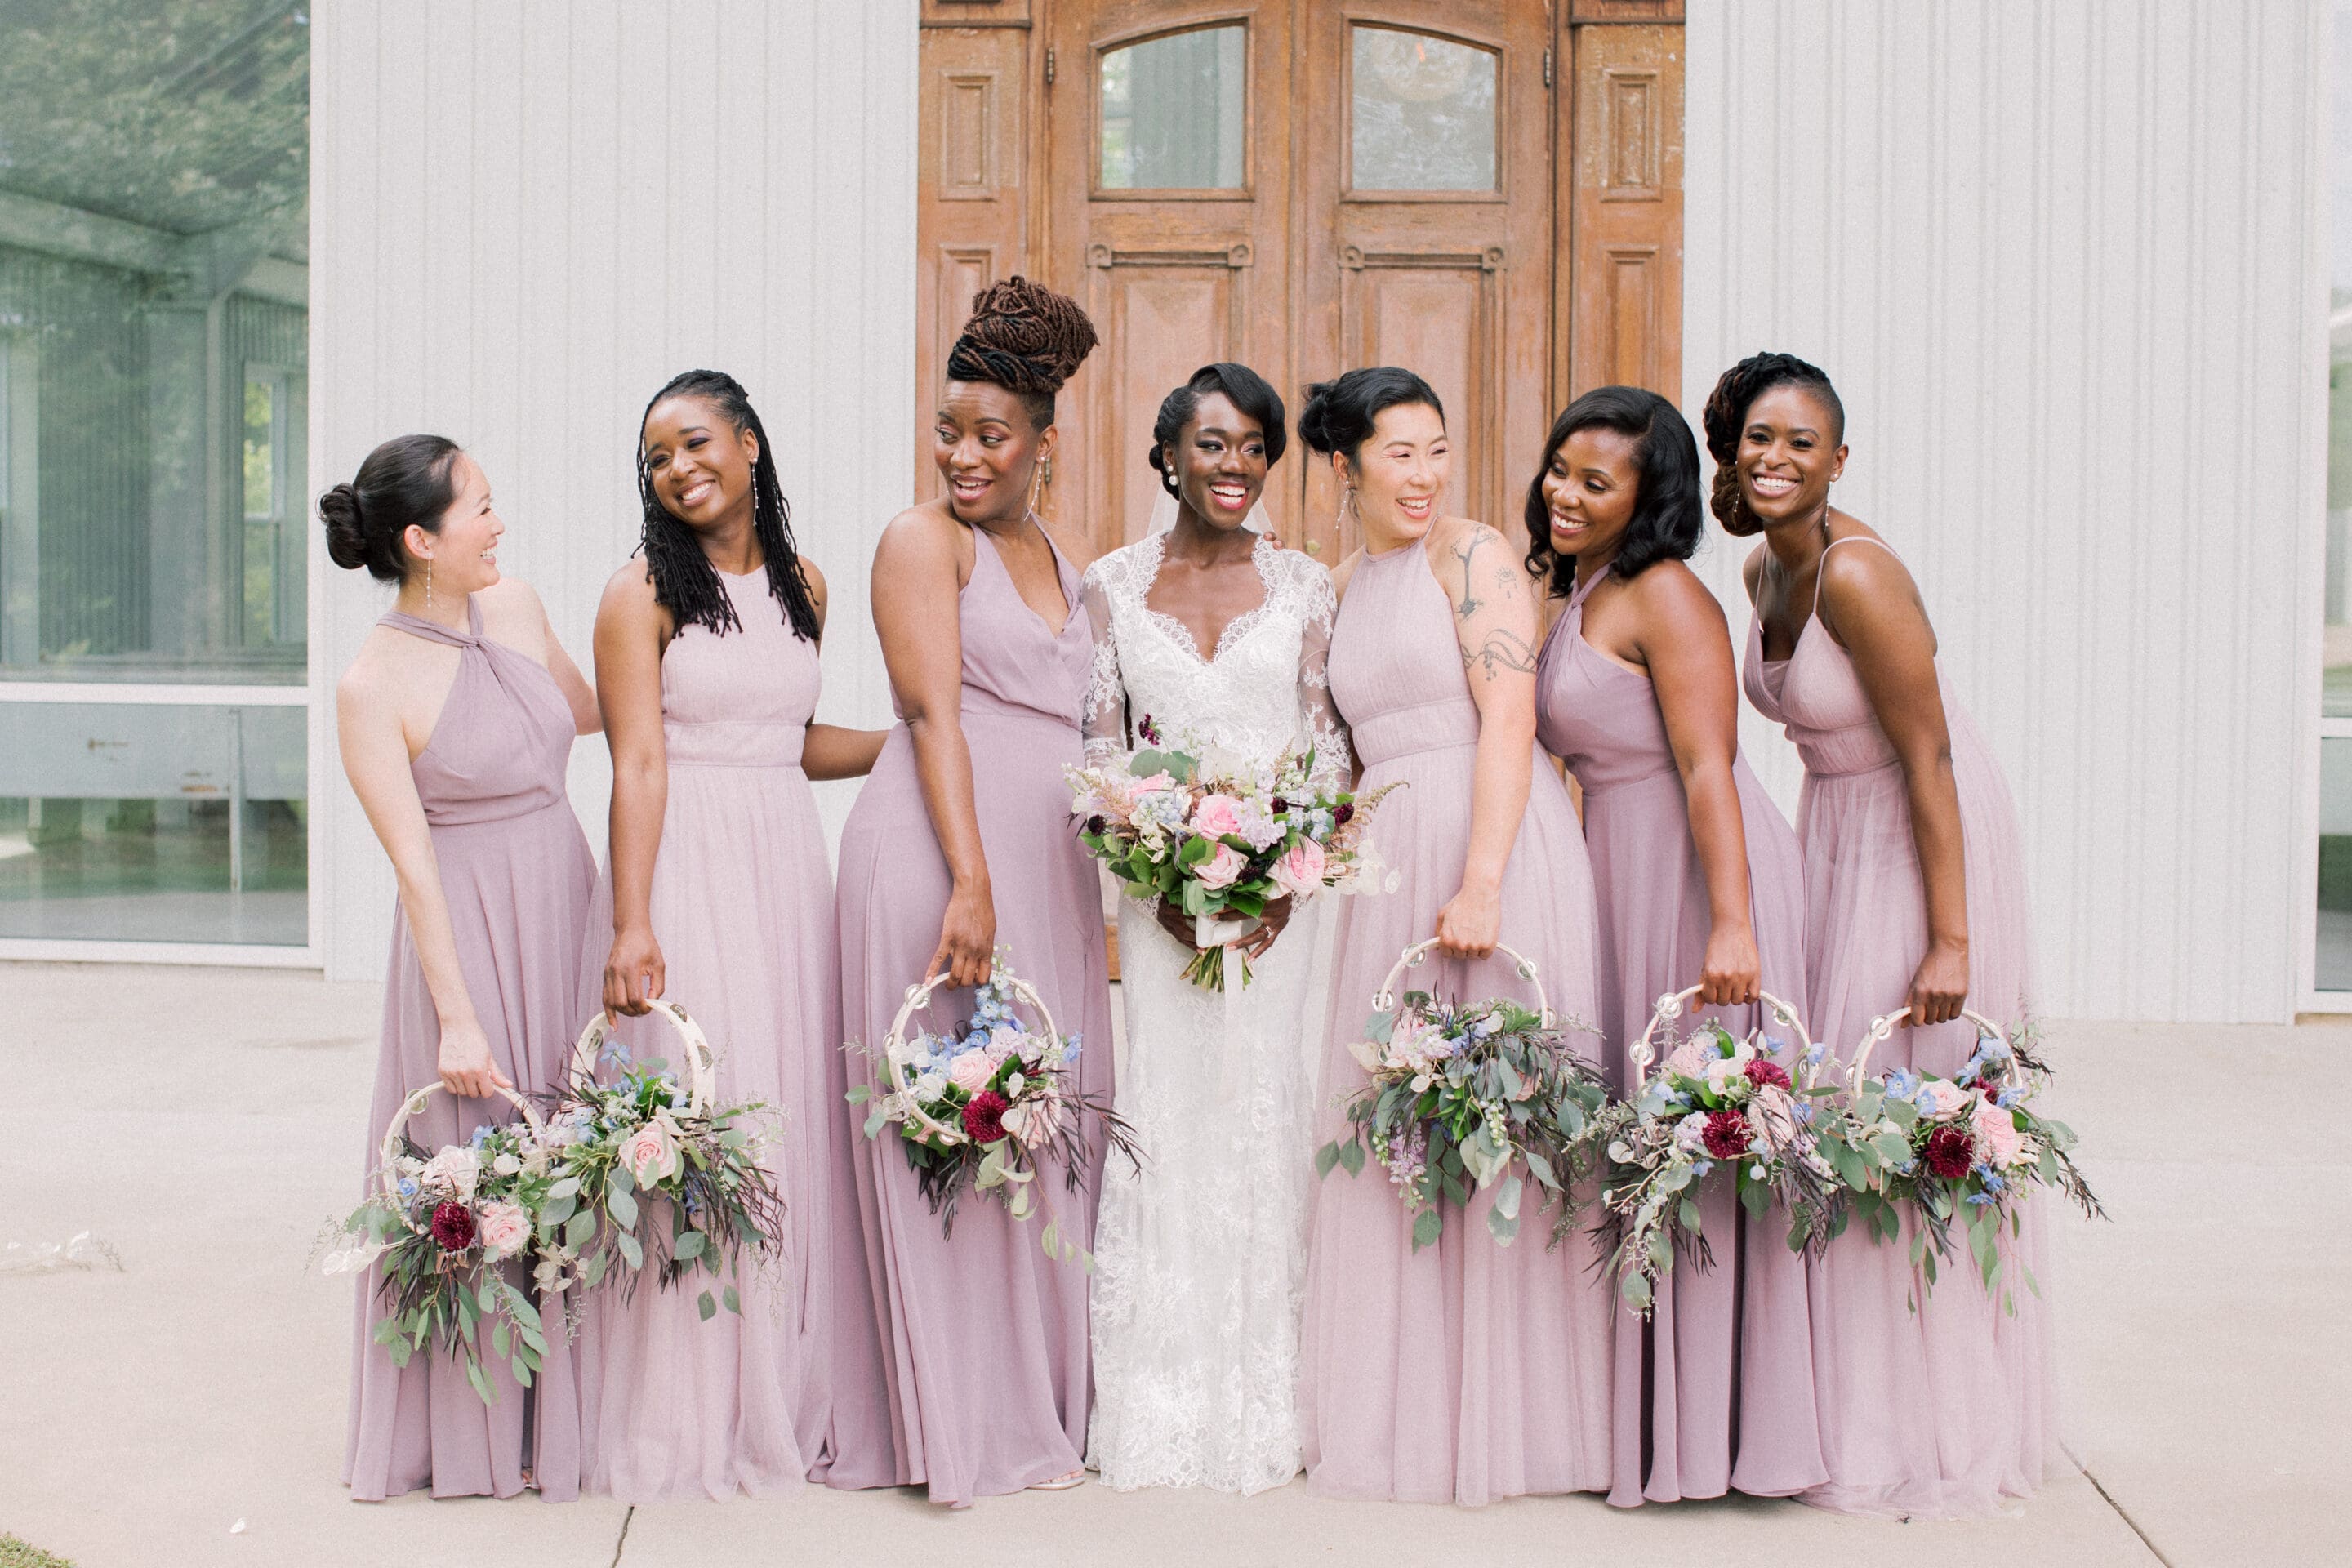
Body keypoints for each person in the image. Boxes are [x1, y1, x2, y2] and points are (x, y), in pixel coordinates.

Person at [1710, 350, 2047, 1517]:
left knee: (1898, 1105)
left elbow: (1932, 756)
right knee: (1841, 1106)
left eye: (1801, 443)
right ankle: (1843, 1394)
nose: (1775, 458)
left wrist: (1950, 939)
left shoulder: (1858, 576)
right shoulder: (1762, 568)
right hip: (1836, 827)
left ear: (1838, 460)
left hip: (1915, 834)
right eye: (1759, 437)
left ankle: (1920, 1420)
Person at [1296, 367, 1613, 1504]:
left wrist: (1482, 881)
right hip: (1386, 864)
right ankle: (1406, 1406)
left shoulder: (1471, 558)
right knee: (1401, 1123)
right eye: (1400, 453)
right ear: (1348, 467)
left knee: (1502, 1112)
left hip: (1490, 845)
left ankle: (1520, 1416)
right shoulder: (1337, 584)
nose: (1426, 474)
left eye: (1438, 449)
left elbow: (1511, 717)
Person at [580, 369, 889, 1499]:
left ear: (750, 444)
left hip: (783, 864)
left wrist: (916, 742)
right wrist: (632, 921)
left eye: (696, 441)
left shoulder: (806, 581)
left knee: (789, 1120)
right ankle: (689, 1406)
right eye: (657, 455)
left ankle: (784, 1381)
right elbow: (641, 762)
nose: (678, 467)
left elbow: (793, 741)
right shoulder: (639, 592)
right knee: (715, 1117)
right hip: (690, 866)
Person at [833, 277, 1111, 1506]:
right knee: (950, 1114)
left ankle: (1039, 1397)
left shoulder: (1061, 551)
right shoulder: (918, 539)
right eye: (948, 431)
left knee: (1037, 1118)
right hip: (944, 853)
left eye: (991, 435)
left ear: (1044, 442)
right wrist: (970, 880)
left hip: (1041, 866)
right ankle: (956, 1419)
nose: (962, 455)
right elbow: (931, 711)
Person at [1526, 385, 1825, 1505]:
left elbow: (1710, 769)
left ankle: (1722, 1431)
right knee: (1638, 1138)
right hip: (1616, 867)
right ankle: (1644, 1414)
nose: (1564, 492)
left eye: (1594, 482)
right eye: (1560, 468)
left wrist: (1734, 924)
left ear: (1649, 497)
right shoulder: (1581, 583)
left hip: (1699, 876)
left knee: (1699, 1142)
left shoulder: (1666, 596)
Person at [1080, 363, 1347, 1494]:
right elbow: (1099, 752)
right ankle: (1164, 1390)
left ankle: (1268, 1391)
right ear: (1168, 455)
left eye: (1253, 448)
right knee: (1171, 1113)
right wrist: (1153, 877)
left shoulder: (1307, 586)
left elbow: (1328, 749)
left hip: (1281, 911)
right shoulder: (1107, 585)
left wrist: (1285, 874)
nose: (1232, 466)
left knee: (1264, 1113)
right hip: (1162, 909)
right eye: (1211, 444)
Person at [326, 435, 599, 1502]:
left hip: (565, 898)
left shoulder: (519, 608)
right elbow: (414, 869)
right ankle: (480, 1434)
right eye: (481, 508)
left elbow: (592, 710)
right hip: (469, 933)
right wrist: (456, 1017)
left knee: (573, 1154)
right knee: (481, 1173)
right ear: (419, 540)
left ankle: (572, 1416)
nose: (499, 524)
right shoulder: (371, 683)